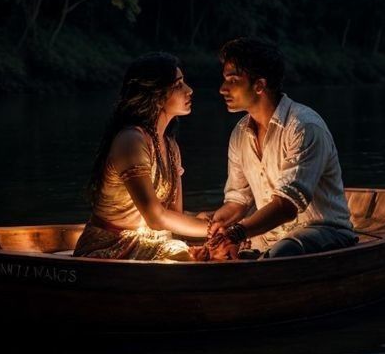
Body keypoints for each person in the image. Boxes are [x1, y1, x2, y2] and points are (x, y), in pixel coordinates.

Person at [206, 37, 357, 259]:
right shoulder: (240, 133)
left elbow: (287, 205)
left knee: (284, 251)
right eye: (224, 80)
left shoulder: (304, 126)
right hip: (269, 236)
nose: (222, 89)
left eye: (233, 80)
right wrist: (220, 223)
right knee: (219, 252)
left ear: (259, 85)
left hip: (323, 231)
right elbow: (239, 199)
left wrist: (238, 232)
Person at [73, 53, 210, 260]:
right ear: (156, 94)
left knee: (215, 250)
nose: (189, 90)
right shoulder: (131, 140)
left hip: (156, 243)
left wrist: (213, 224)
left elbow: (174, 216)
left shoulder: (171, 147)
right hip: (111, 248)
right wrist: (208, 229)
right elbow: (156, 218)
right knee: (185, 255)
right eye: (178, 85)